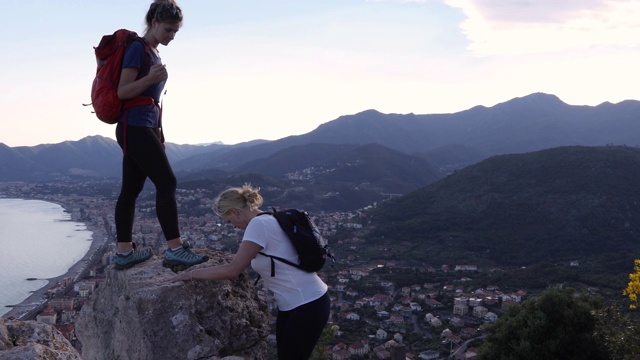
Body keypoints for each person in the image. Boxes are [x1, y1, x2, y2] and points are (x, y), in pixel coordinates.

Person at [168, 184, 330, 360]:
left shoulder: (258, 225)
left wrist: (191, 274)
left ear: (234, 211)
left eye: (229, 221)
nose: (233, 226)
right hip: (298, 303)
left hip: (306, 302)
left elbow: (233, 270)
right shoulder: (268, 218)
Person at [113, 0, 208, 270]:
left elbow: (151, 101)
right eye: (168, 30)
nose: (172, 36)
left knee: (130, 190)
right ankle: (175, 248)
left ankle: (124, 253)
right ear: (154, 22)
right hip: (134, 126)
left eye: (175, 32)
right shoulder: (137, 49)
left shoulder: (152, 52)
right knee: (167, 183)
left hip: (144, 127)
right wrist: (150, 78)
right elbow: (123, 91)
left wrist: (160, 135)